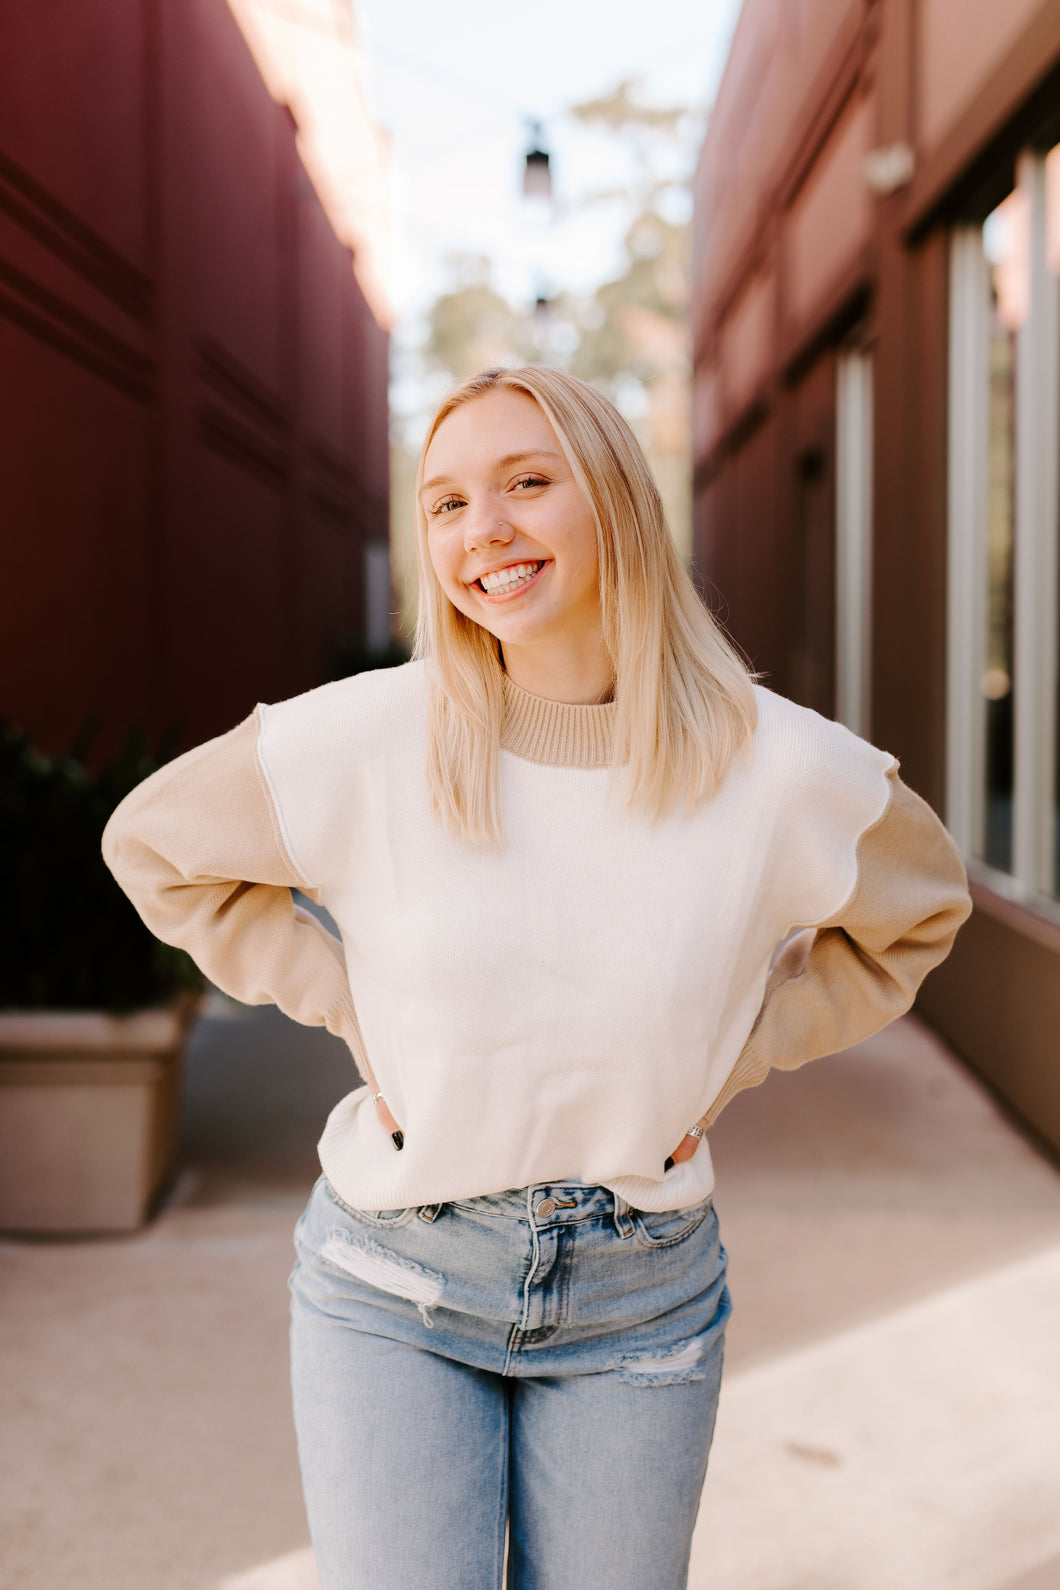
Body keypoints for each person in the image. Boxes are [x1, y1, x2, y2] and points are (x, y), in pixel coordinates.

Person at [102, 365, 972, 1590]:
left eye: (525, 482)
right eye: (445, 503)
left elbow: (920, 912)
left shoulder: (778, 768)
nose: (484, 531)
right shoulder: (367, 735)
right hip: (392, 1278)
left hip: (640, 1303)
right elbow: (152, 846)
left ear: (613, 499)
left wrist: (736, 1055)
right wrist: (353, 1005)